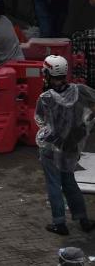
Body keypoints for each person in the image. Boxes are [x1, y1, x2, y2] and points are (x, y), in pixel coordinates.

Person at [36, 55, 95, 235]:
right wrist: (83, 128)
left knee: (54, 184)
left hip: (51, 146)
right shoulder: (79, 91)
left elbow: (40, 120)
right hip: (71, 146)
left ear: (47, 73)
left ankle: (59, 223)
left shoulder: (45, 97)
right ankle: (83, 219)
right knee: (70, 182)